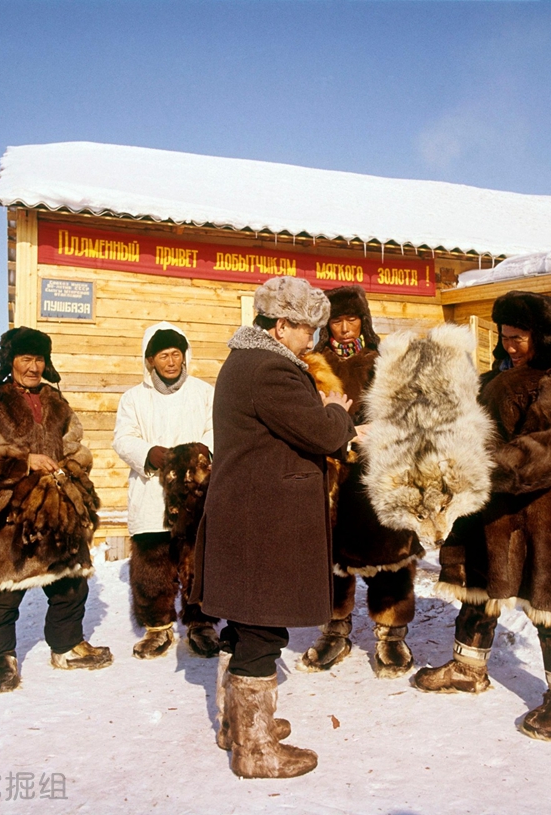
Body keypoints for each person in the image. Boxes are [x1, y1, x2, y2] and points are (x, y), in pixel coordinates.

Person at [412, 290, 551, 741]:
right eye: (505, 336)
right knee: (479, 586)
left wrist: (481, 466)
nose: (511, 345)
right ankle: (467, 667)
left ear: (543, 336)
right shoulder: (498, 376)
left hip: (549, 512)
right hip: (496, 508)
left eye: (520, 338)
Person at [191, 276, 358, 778]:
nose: (314, 339)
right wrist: (336, 415)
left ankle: (236, 725)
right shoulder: (271, 370)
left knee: (246, 624)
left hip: (248, 513)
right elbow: (323, 432)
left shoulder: (245, 361)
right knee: (262, 627)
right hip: (264, 519)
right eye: (308, 329)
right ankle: (256, 749)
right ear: (281, 326)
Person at [0, 327, 112, 694]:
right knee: (4, 591)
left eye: (39, 359)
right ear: (10, 361)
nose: (33, 367)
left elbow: (75, 445)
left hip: (53, 510)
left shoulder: (57, 402)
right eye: (26, 358)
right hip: (6, 514)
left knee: (70, 582)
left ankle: (67, 647)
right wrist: (23, 462)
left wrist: (70, 468)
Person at [300, 285, 422, 678]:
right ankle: (334, 630)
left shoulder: (384, 361)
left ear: (363, 321)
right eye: (337, 320)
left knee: (390, 555)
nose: (345, 328)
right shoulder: (313, 367)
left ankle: (391, 635)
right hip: (333, 475)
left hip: (381, 473)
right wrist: (343, 432)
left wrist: (380, 432)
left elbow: (409, 414)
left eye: (352, 319)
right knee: (332, 560)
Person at [113, 322, 216, 658]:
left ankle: (201, 624)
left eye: (176, 354)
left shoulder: (203, 392)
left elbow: (216, 429)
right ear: (150, 360)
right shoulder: (134, 398)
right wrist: (149, 453)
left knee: (197, 559)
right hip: (150, 491)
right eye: (163, 356)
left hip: (195, 492)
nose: (171, 362)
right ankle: (157, 627)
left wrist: (202, 453)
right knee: (153, 561)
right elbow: (123, 439)